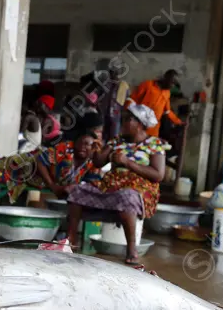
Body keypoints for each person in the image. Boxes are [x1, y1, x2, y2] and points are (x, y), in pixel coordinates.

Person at [66, 103, 169, 265]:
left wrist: (127, 162)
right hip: (111, 184)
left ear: (140, 124)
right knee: (77, 190)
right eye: (124, 118)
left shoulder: (155, 144)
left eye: (128, 119)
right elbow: (99, 162)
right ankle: (71, 240)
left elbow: (158, 175)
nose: (123, 122)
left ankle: (132, 249)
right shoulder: (117, 141)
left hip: (140, 188)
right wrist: (95, 151)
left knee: (127, 196)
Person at [130, 70, 182, 138]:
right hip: (139, 125)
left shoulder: (167, 93)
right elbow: (132, 100)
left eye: (175, 84)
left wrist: (178, 121)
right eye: (172, 82)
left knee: (151, 147)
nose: (172, 86)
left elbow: (167, 111)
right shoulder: (148, 85)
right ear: (166, 78)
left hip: (153, 129)